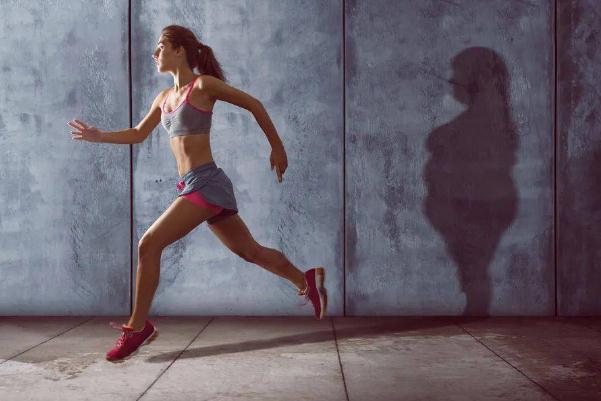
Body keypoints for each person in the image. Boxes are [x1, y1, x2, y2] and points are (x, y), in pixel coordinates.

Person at [67, 24, 327, 362]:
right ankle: (305, 280)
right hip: (192, 186)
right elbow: (137, 133)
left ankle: (138, 328)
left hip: (206, 184)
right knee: (249, 251)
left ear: (180, 50)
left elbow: (254, 104)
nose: (155, 53)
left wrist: (277, 147)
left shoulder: (202, 86)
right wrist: (100, 136)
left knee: (149, 243)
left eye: (161, 47)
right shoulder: (163, 99)